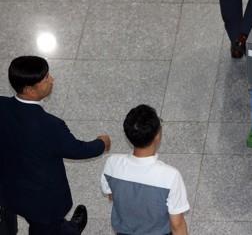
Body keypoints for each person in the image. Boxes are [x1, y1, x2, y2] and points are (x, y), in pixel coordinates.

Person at [0, 56, 111, 235]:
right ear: (29, 89)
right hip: (42, 201)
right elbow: (77, 149)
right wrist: (101, 143)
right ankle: (70, 230)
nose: (52, 79)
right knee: (47, 228)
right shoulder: (51, 125)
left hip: (9, 190)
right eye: (45, 78)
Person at [101, 105, 190, 235]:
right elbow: (177, 225)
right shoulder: (170, 176)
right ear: (157, 136)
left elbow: (111, 196)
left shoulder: (112, 164)